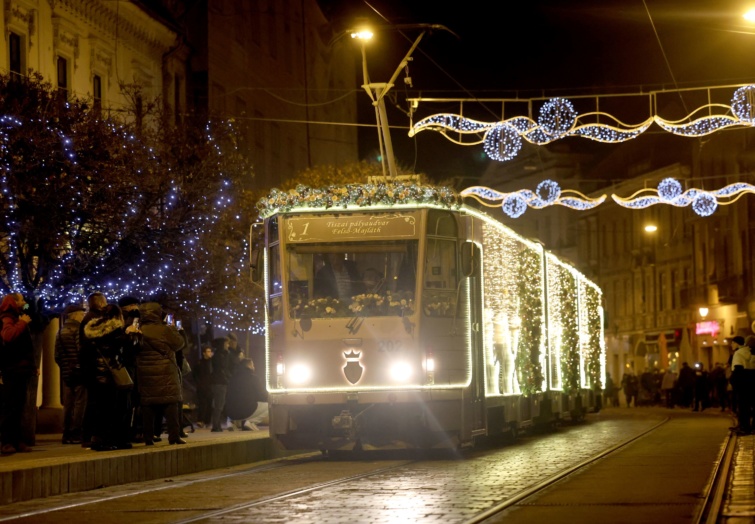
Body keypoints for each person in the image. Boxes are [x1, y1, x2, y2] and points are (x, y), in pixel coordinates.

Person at [82, 303, 133, 451]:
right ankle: (108, 440)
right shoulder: (115, 330)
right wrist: (130, 335)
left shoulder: (91, 330)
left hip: (95, 374)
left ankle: (97, 439)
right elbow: (120, 350)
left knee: (100, 409)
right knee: (113, 409)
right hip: (110, 374)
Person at [135, 302, 187, 445]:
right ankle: (174, 436)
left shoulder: (138, 329)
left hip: (145, 372)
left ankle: (148, 438)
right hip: (165, 372)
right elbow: (179, 344)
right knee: (171, 403)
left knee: (148, 406)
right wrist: (176, 331)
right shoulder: (165, 330)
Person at [0, 293, 35, 454]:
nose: (24, 302)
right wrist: (22, 323)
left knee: (19, 406)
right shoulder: (8, 318)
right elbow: (8, 336)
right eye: (21, 300)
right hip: (12, 369)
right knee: (11, 407)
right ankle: (7, 441)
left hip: (21, 369)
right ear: (14, 302)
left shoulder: (16, 317)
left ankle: (17, 440)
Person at [79, 292, 108, 448]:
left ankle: (89, 434)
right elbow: (93, 344)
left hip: (91, 367)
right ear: (99, 303)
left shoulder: (89, 318)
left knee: (93, 402)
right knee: (94, 402)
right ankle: (90, 435)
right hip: (94, 367)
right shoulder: (93, 320)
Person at [54, 304, 87, 444]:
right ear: (75, 315)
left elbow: (57, 356)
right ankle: (76, 432)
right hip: (79, 371)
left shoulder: (60, 332)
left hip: (67, 373)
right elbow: (81, 351)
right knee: (80, 402)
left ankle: (66, 432)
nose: (83, 316)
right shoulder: (78, 330)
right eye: (81, 314)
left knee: (68, 403)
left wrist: (65, 367)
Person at [225, 359, 268, 431]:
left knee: (233, 403)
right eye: (253, 365)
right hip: (246, 411)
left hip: (230, 412)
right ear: (249, 366)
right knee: (269, 406)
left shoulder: (232, 378)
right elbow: (263, 395)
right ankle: (251, 422)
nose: (254, 367)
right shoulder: (254, 378)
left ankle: (230, 422)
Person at [731, 336, 755, 435]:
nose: (731, 345)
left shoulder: (738, 353)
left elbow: (737, 370)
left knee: (743, 406)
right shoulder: (752, 353)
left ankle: (745, 427)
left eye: (732, 343)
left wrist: (734, 383)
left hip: (742, 384)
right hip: (752, 381)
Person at [210, 336, 233, 432]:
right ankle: (215, 426)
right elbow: (223, 368)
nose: (228, 345)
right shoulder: (220, 356)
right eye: (226, 343)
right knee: (219, 405)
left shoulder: (217, 355)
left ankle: (216, 425)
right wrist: (227, 378)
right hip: (220, 382)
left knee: (218, 405)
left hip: (218, 382)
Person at [193, 346, 214, 427]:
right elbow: (195, 374)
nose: (210, 353)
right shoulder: (199, 363)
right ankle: (200, 420)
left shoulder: (212, 362)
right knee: (202, 404)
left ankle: (207, 421)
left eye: (210, 351)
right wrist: (198, 383)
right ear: (204, 353)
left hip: (210, 386)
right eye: (208, 351)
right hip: (202, 387)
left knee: (209, 404)